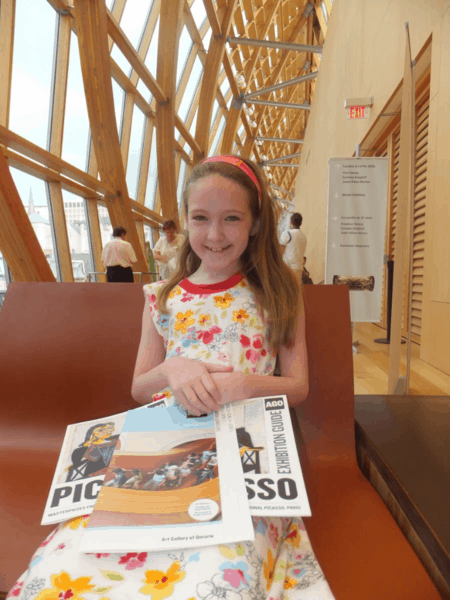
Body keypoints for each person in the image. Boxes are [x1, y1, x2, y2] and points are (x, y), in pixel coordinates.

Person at [9, 156, 335, 599]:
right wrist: (170, 368)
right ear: (185, 221)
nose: (214, 235)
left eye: (231, 219)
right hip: (164, 449)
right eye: (201, 219)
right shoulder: (162, 297)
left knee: (217, 578)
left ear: (256, 223)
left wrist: (242, 384)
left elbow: (298, 386)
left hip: (242, 455)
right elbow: (140, 388)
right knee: (65, 568)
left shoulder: (279, 291)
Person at [280, 212, 307, 283]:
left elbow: (280, 251)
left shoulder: (287, 234)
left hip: (288, 268)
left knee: (286, 290)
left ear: (290, 222)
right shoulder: (303, 236)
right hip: (299, 267)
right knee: (296, 290)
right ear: (300, 223)